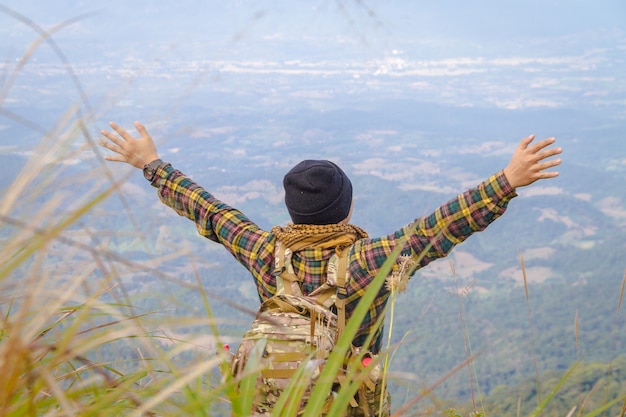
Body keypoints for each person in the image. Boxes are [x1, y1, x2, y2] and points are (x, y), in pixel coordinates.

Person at [100, 121, 562, 412]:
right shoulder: (366, 263)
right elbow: (436, 230)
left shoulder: (264, 252)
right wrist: (506, 182)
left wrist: (152, 164)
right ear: (347, 206)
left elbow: (214, 213)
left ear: (291, 209)